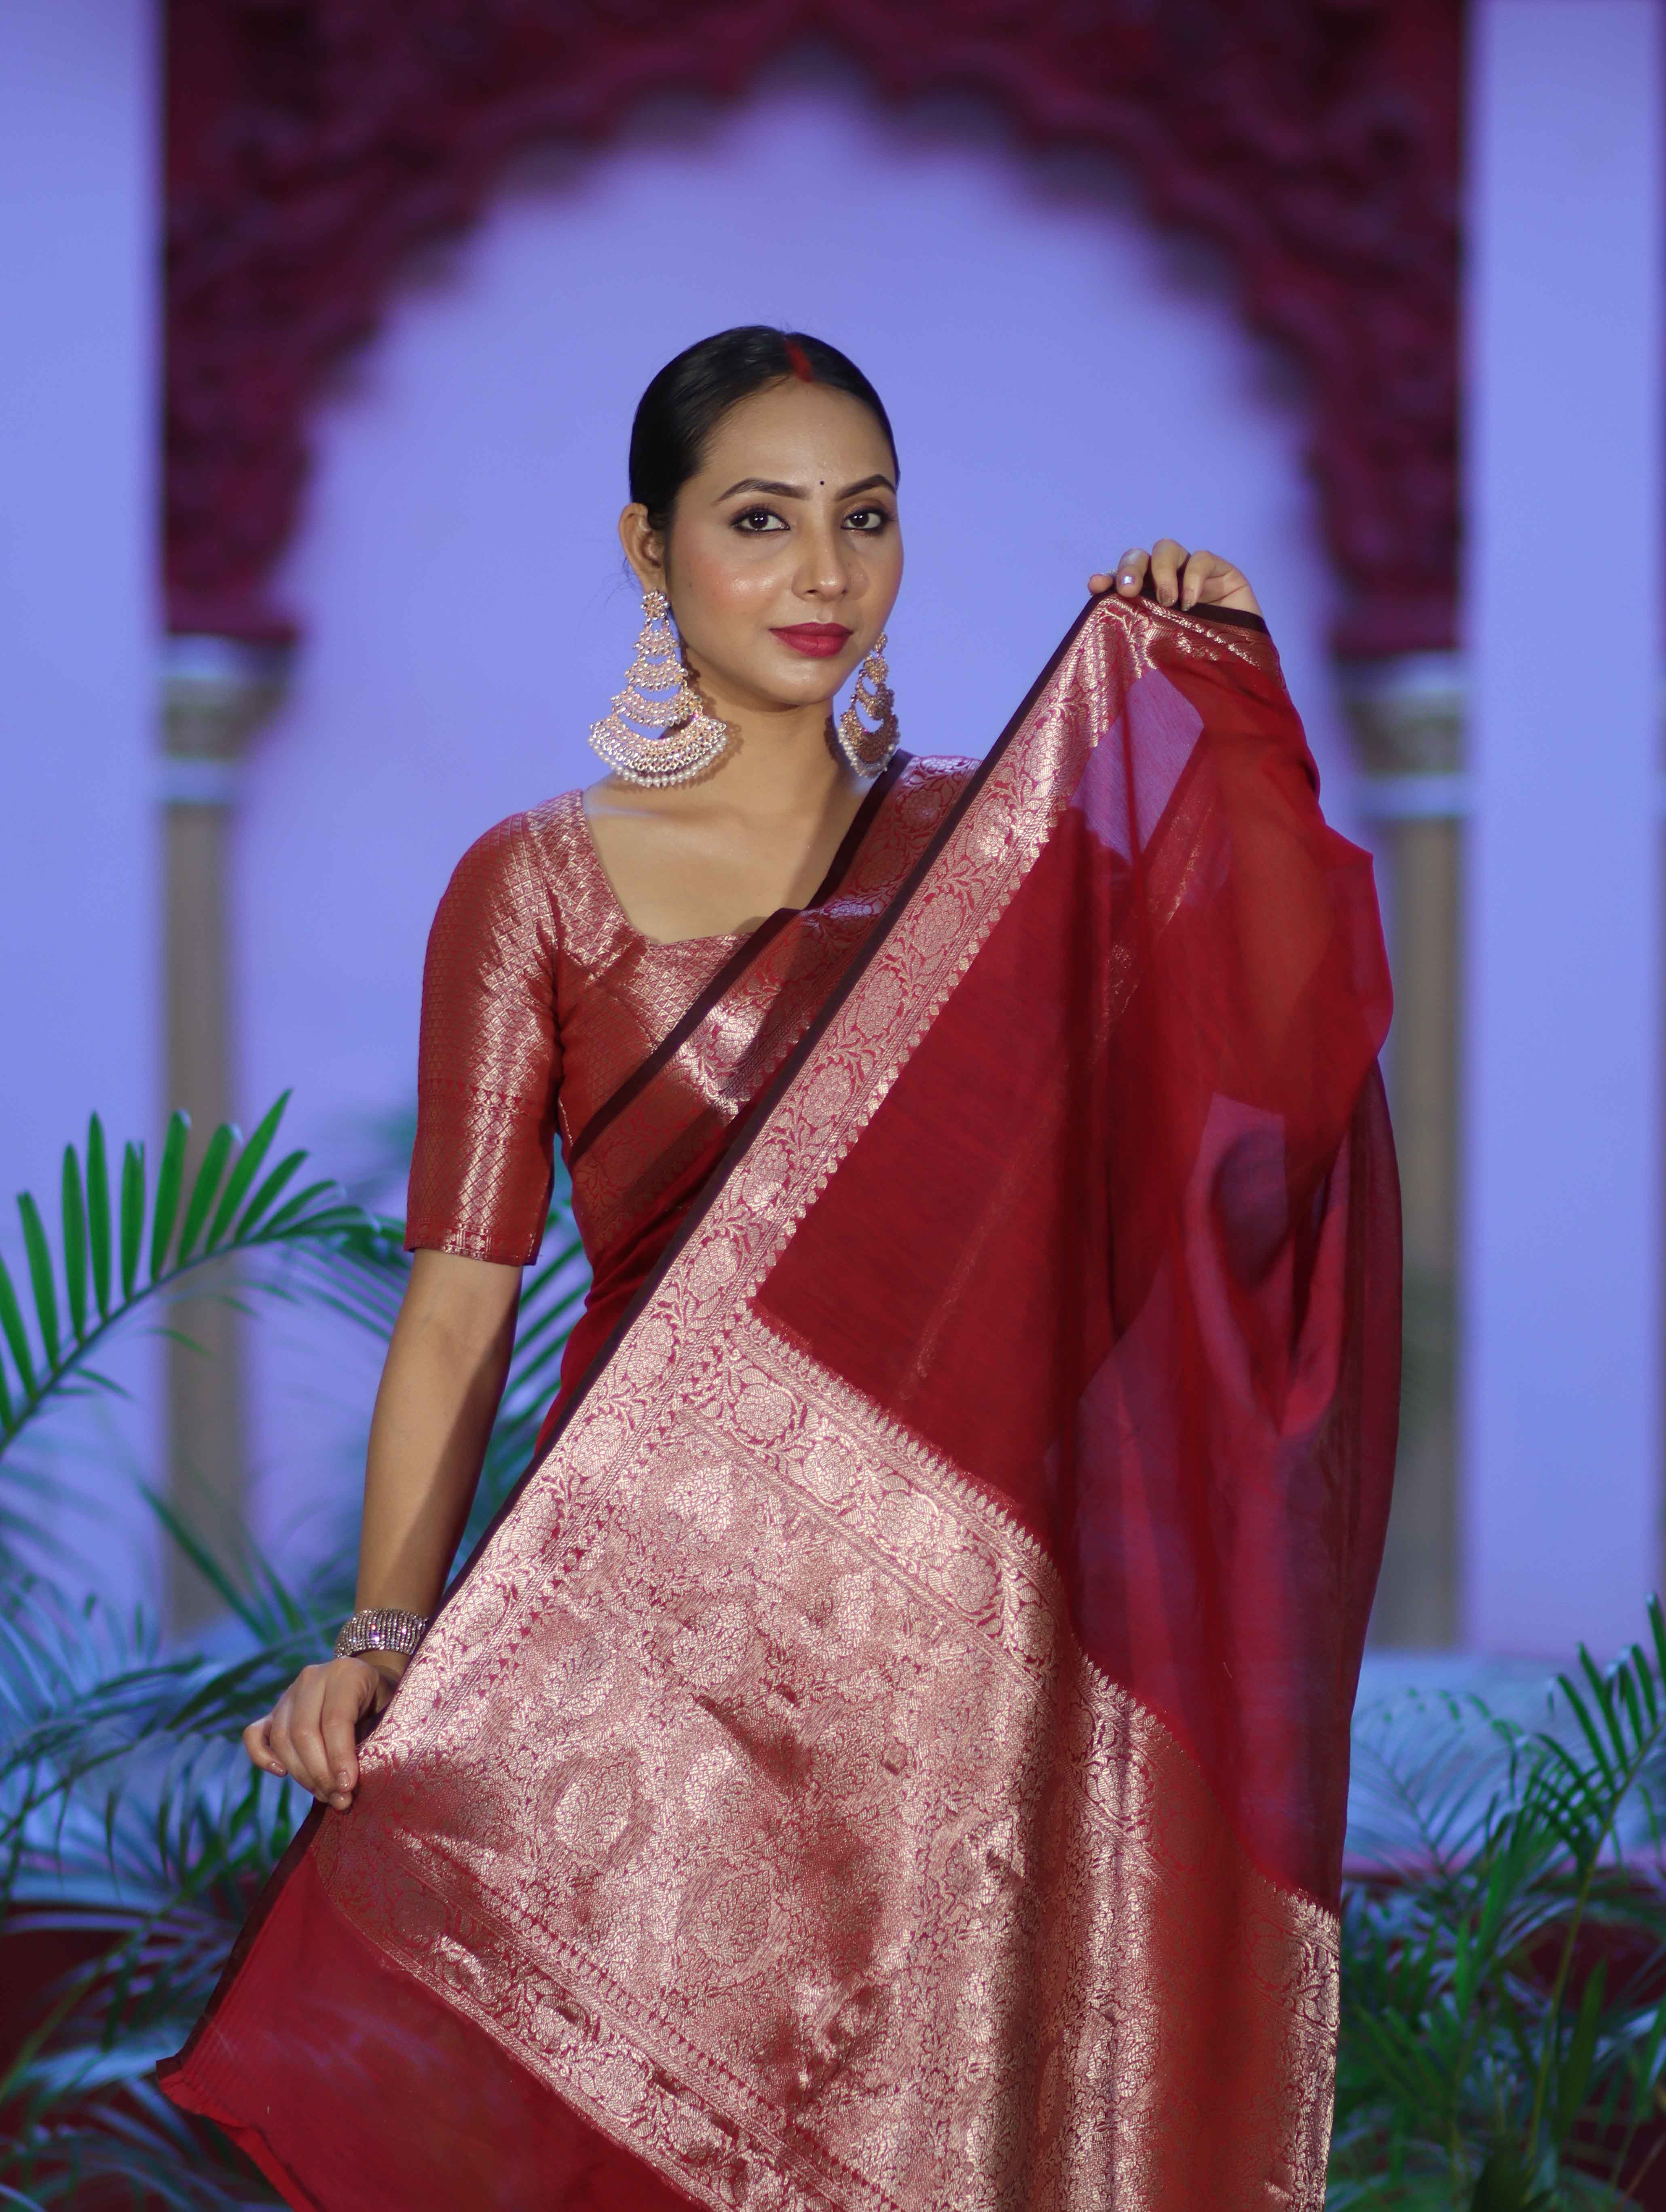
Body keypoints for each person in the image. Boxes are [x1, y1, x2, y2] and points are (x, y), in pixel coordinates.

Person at [161, 326, 1399, 2211]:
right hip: (640, 1655)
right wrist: (382, 1643)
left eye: (864, 519)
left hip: (957, 1661)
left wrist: (1222, 702)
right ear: (649, 548)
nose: (824, 572)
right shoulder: (536, 887)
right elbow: (462, 1303)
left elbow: (1253, 1089)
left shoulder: (1002, 863)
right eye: (760, 520)